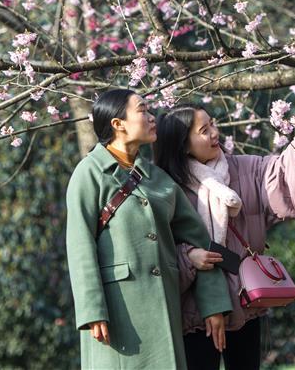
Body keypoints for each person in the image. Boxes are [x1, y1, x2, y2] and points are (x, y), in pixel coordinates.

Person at [155, 101, 295, 370]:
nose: (215, 133)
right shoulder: (165, 187)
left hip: (245, 304)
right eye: (204, 130)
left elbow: (288, 175)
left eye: (213, 124)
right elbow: (159, 249)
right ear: (183, 144)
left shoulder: (245, 169)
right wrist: (188, 256)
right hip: (192, 315)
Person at [66, 89, 233, 369]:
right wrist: (92, 310)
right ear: (118, 124)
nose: (152, 117)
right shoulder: (89, 173)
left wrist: (214, 302)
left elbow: (200, 240)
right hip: (117, 312)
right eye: (143, 111)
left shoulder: (158, 178)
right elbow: (80, 245)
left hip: (166, 308)